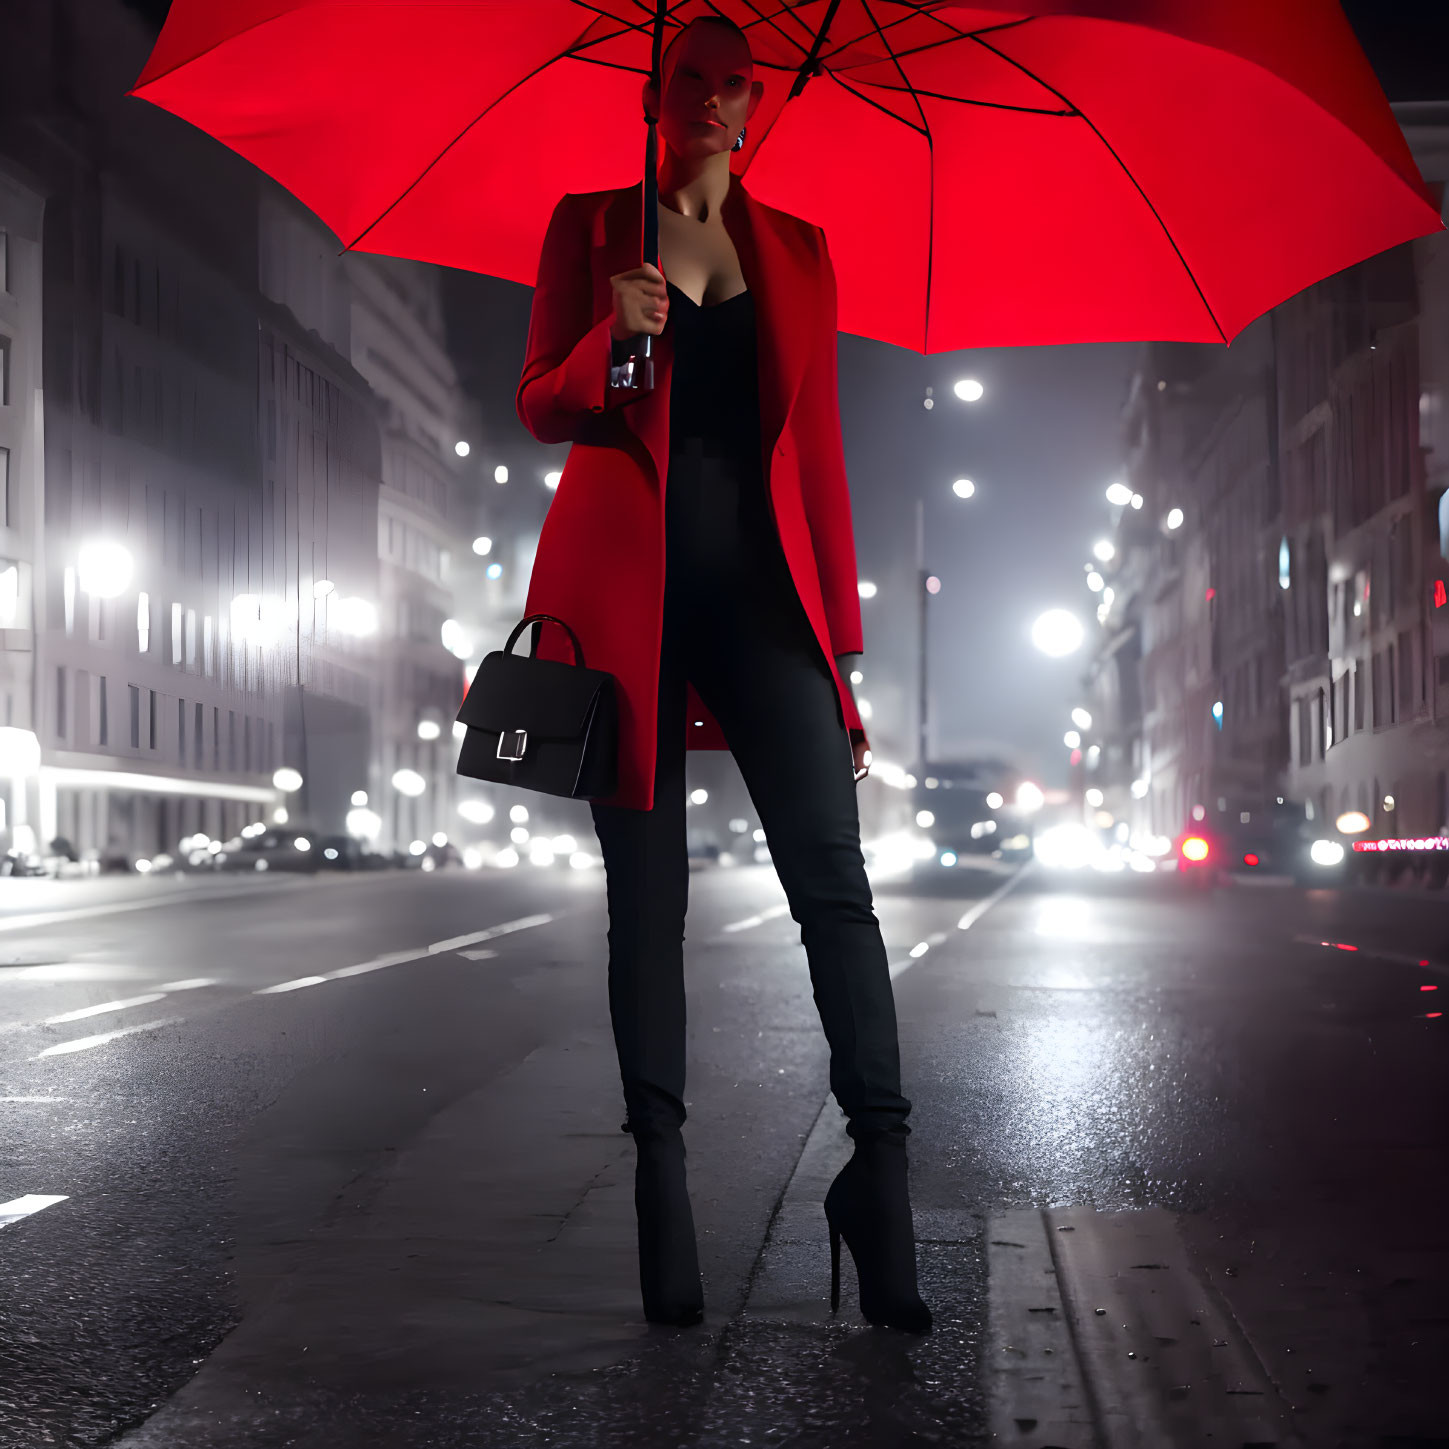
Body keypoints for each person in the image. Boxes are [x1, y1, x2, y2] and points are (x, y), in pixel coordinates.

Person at [515, 15, 931, 1333]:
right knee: (646, 911)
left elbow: (820, 462)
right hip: (620, 602)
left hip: (767, 606)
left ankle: (881, 1175)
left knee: (836, 890)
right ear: (651, 90)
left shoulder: (797, 251)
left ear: (754, 108)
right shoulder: (588, 229)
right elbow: (537, 398)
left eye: (730, 86)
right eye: (687, 79)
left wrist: (844, 667)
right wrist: (608, 341)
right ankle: (663, 1194)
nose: (708, 102)